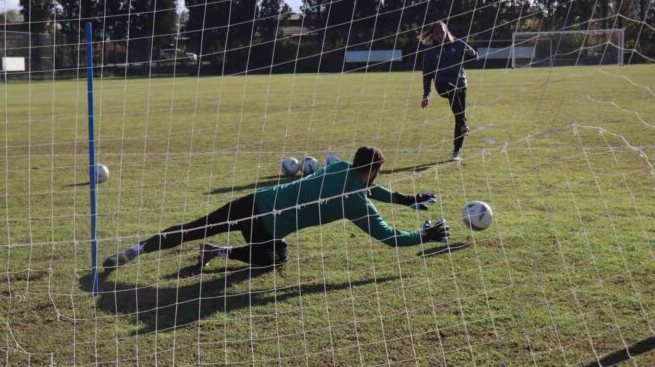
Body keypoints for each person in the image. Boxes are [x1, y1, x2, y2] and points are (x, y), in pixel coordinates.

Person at [103, 146, 450, 271]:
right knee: (277, 257)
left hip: (254, 201)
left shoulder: (337, 166)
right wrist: (423, 234)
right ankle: (220, 253)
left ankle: (135, 249)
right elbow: (389, 237)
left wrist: (405, 199)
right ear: (373, 171)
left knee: (197, 225)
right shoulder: (357, 205)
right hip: (265, 229)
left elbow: (371, 187)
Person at [419, 22, 477, 161]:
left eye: (442, 32)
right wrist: (426, 94)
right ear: (433, 34)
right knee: (453, 95)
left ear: (447, 32)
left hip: (460, 84)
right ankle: (464, 123)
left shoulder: (458, 44)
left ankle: (457, 151)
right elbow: (427, 74)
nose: (440, 35)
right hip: (442, 85)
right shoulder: (430, 52)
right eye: (437, 33)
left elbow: (476, 57)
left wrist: (472, 53)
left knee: (459, 117)